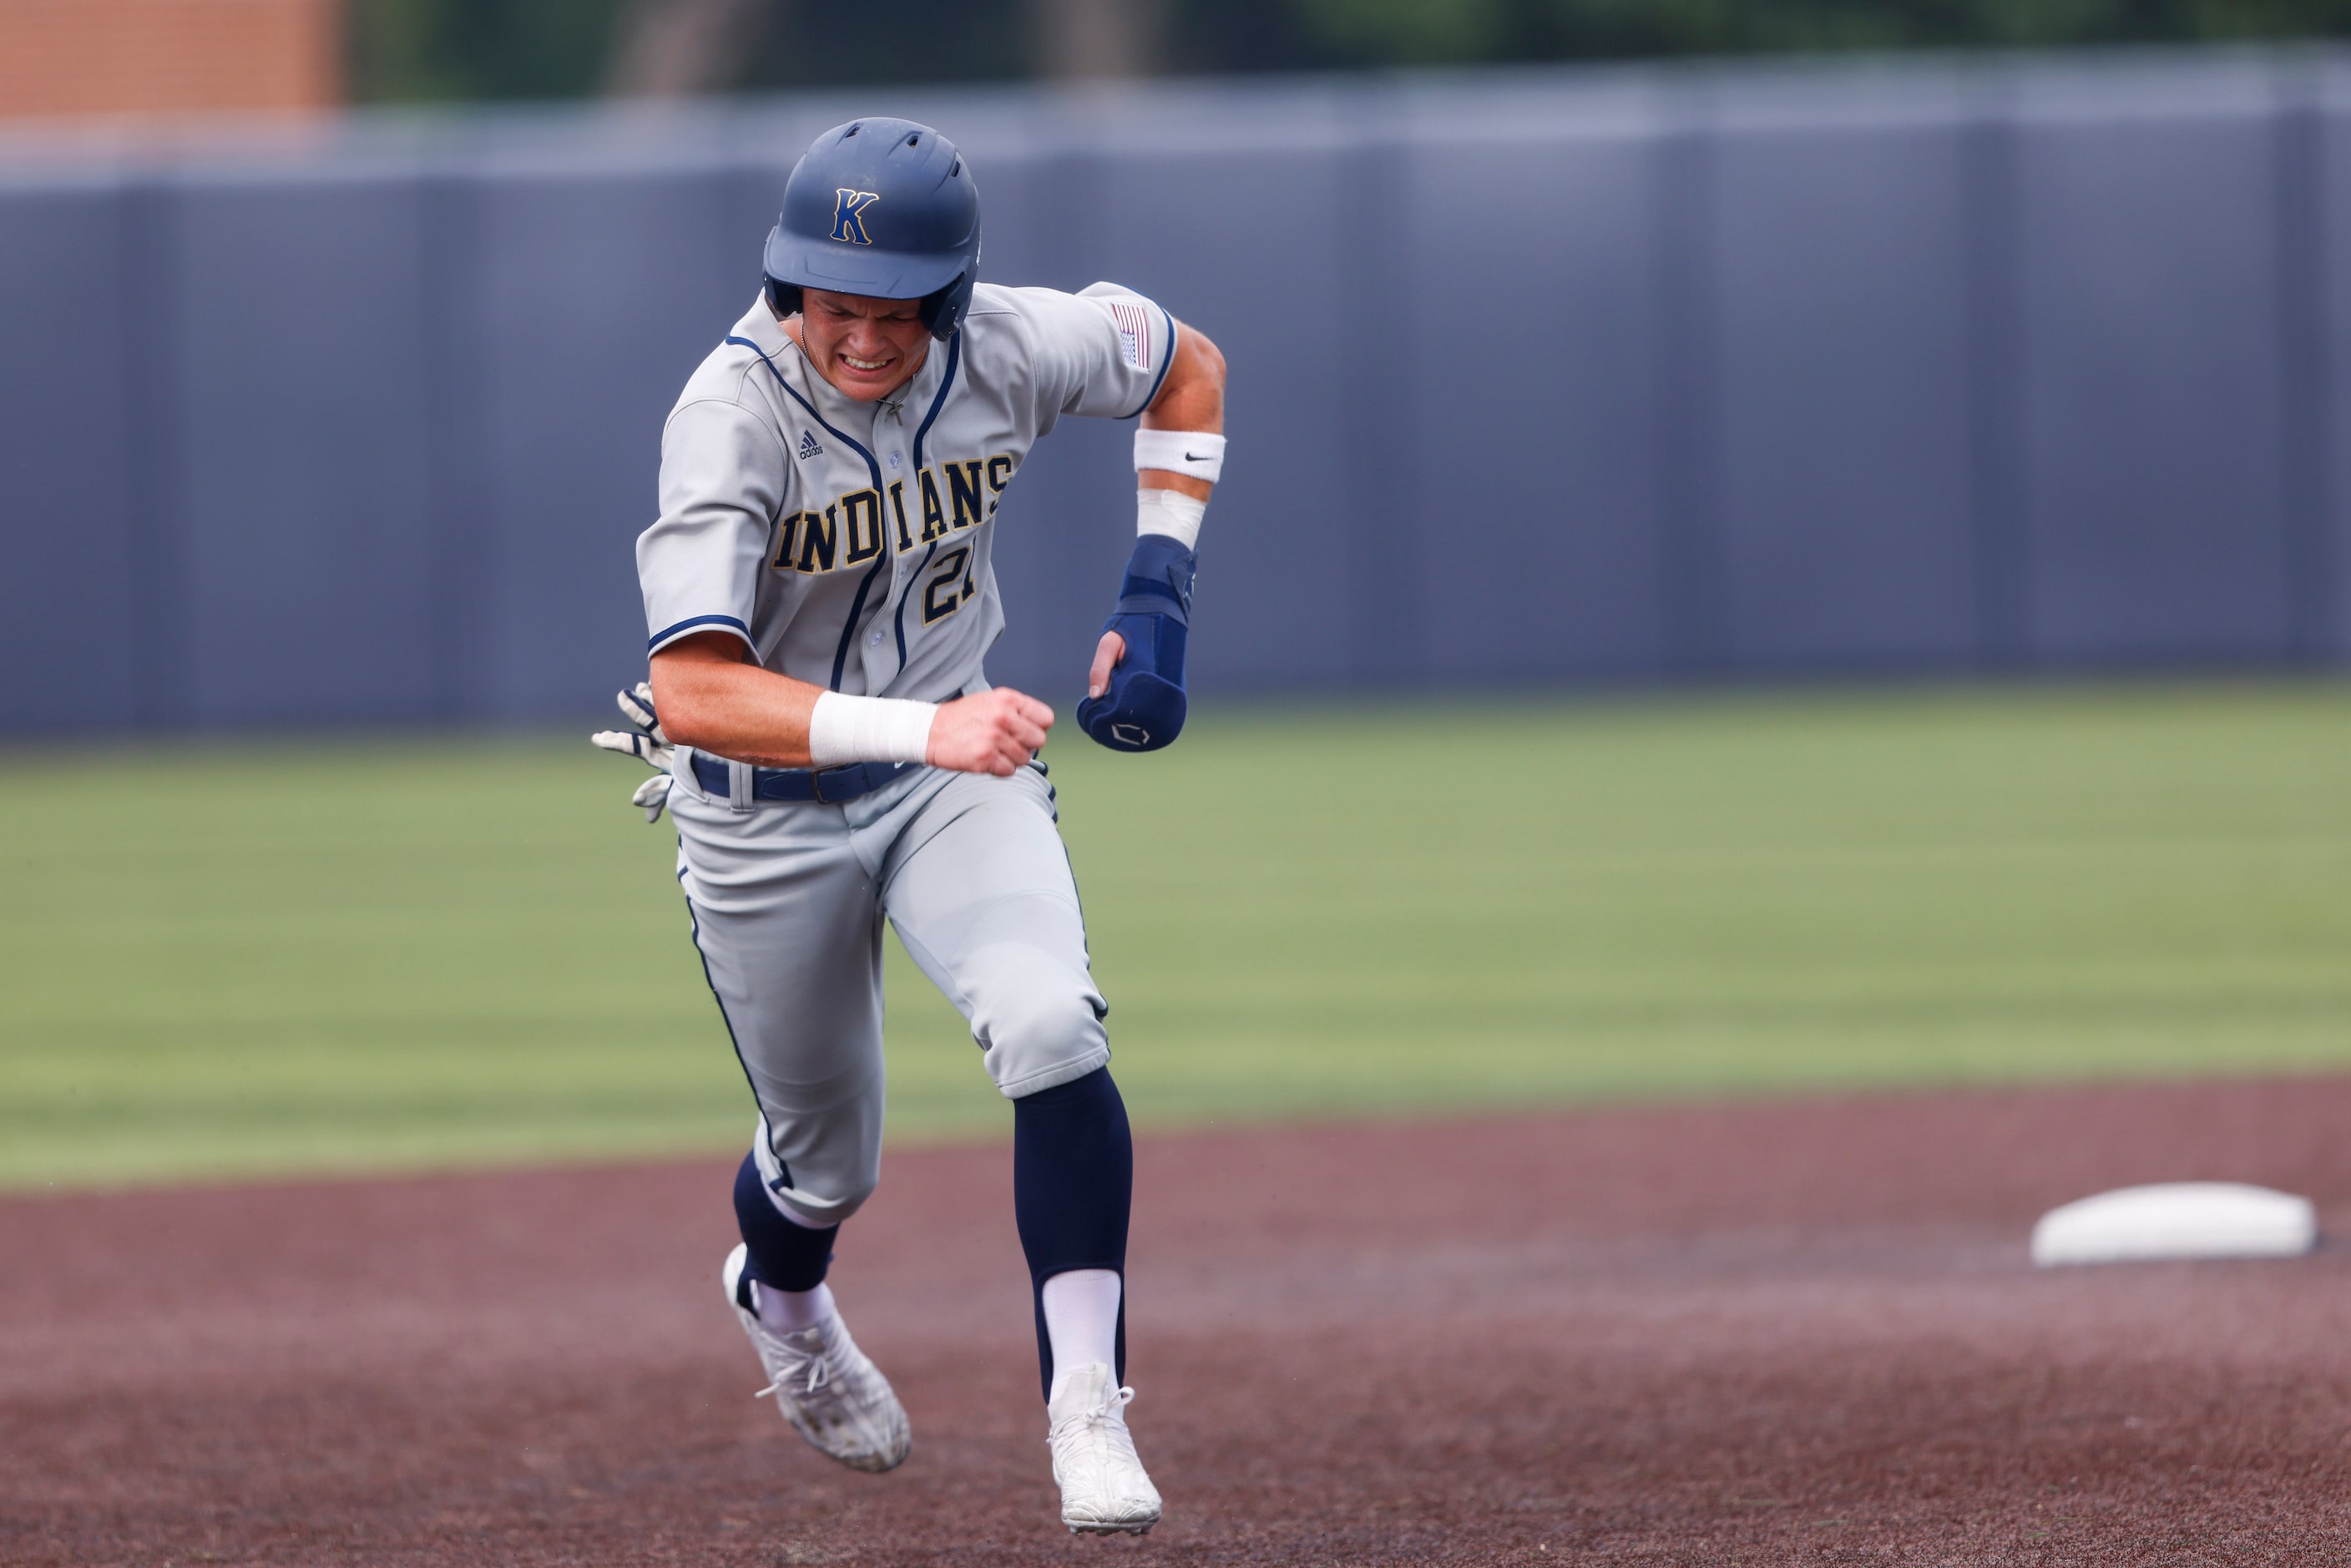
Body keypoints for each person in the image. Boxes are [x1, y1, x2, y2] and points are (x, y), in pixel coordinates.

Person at [592, 116, 1226, 1536]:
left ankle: (1087, 1407)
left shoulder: (1012, 341)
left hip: (957, 770)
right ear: (786, 289)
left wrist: (1157, 594)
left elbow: (1187, 360)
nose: (862, 336)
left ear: (949, 299)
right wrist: (921, 727)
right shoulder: (730, 413)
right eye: (834, 303)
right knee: (826, 1161)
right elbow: (693, 690)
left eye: (895, 311)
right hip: (766, 811)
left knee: (1052, 1024)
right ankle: (783, 1294)